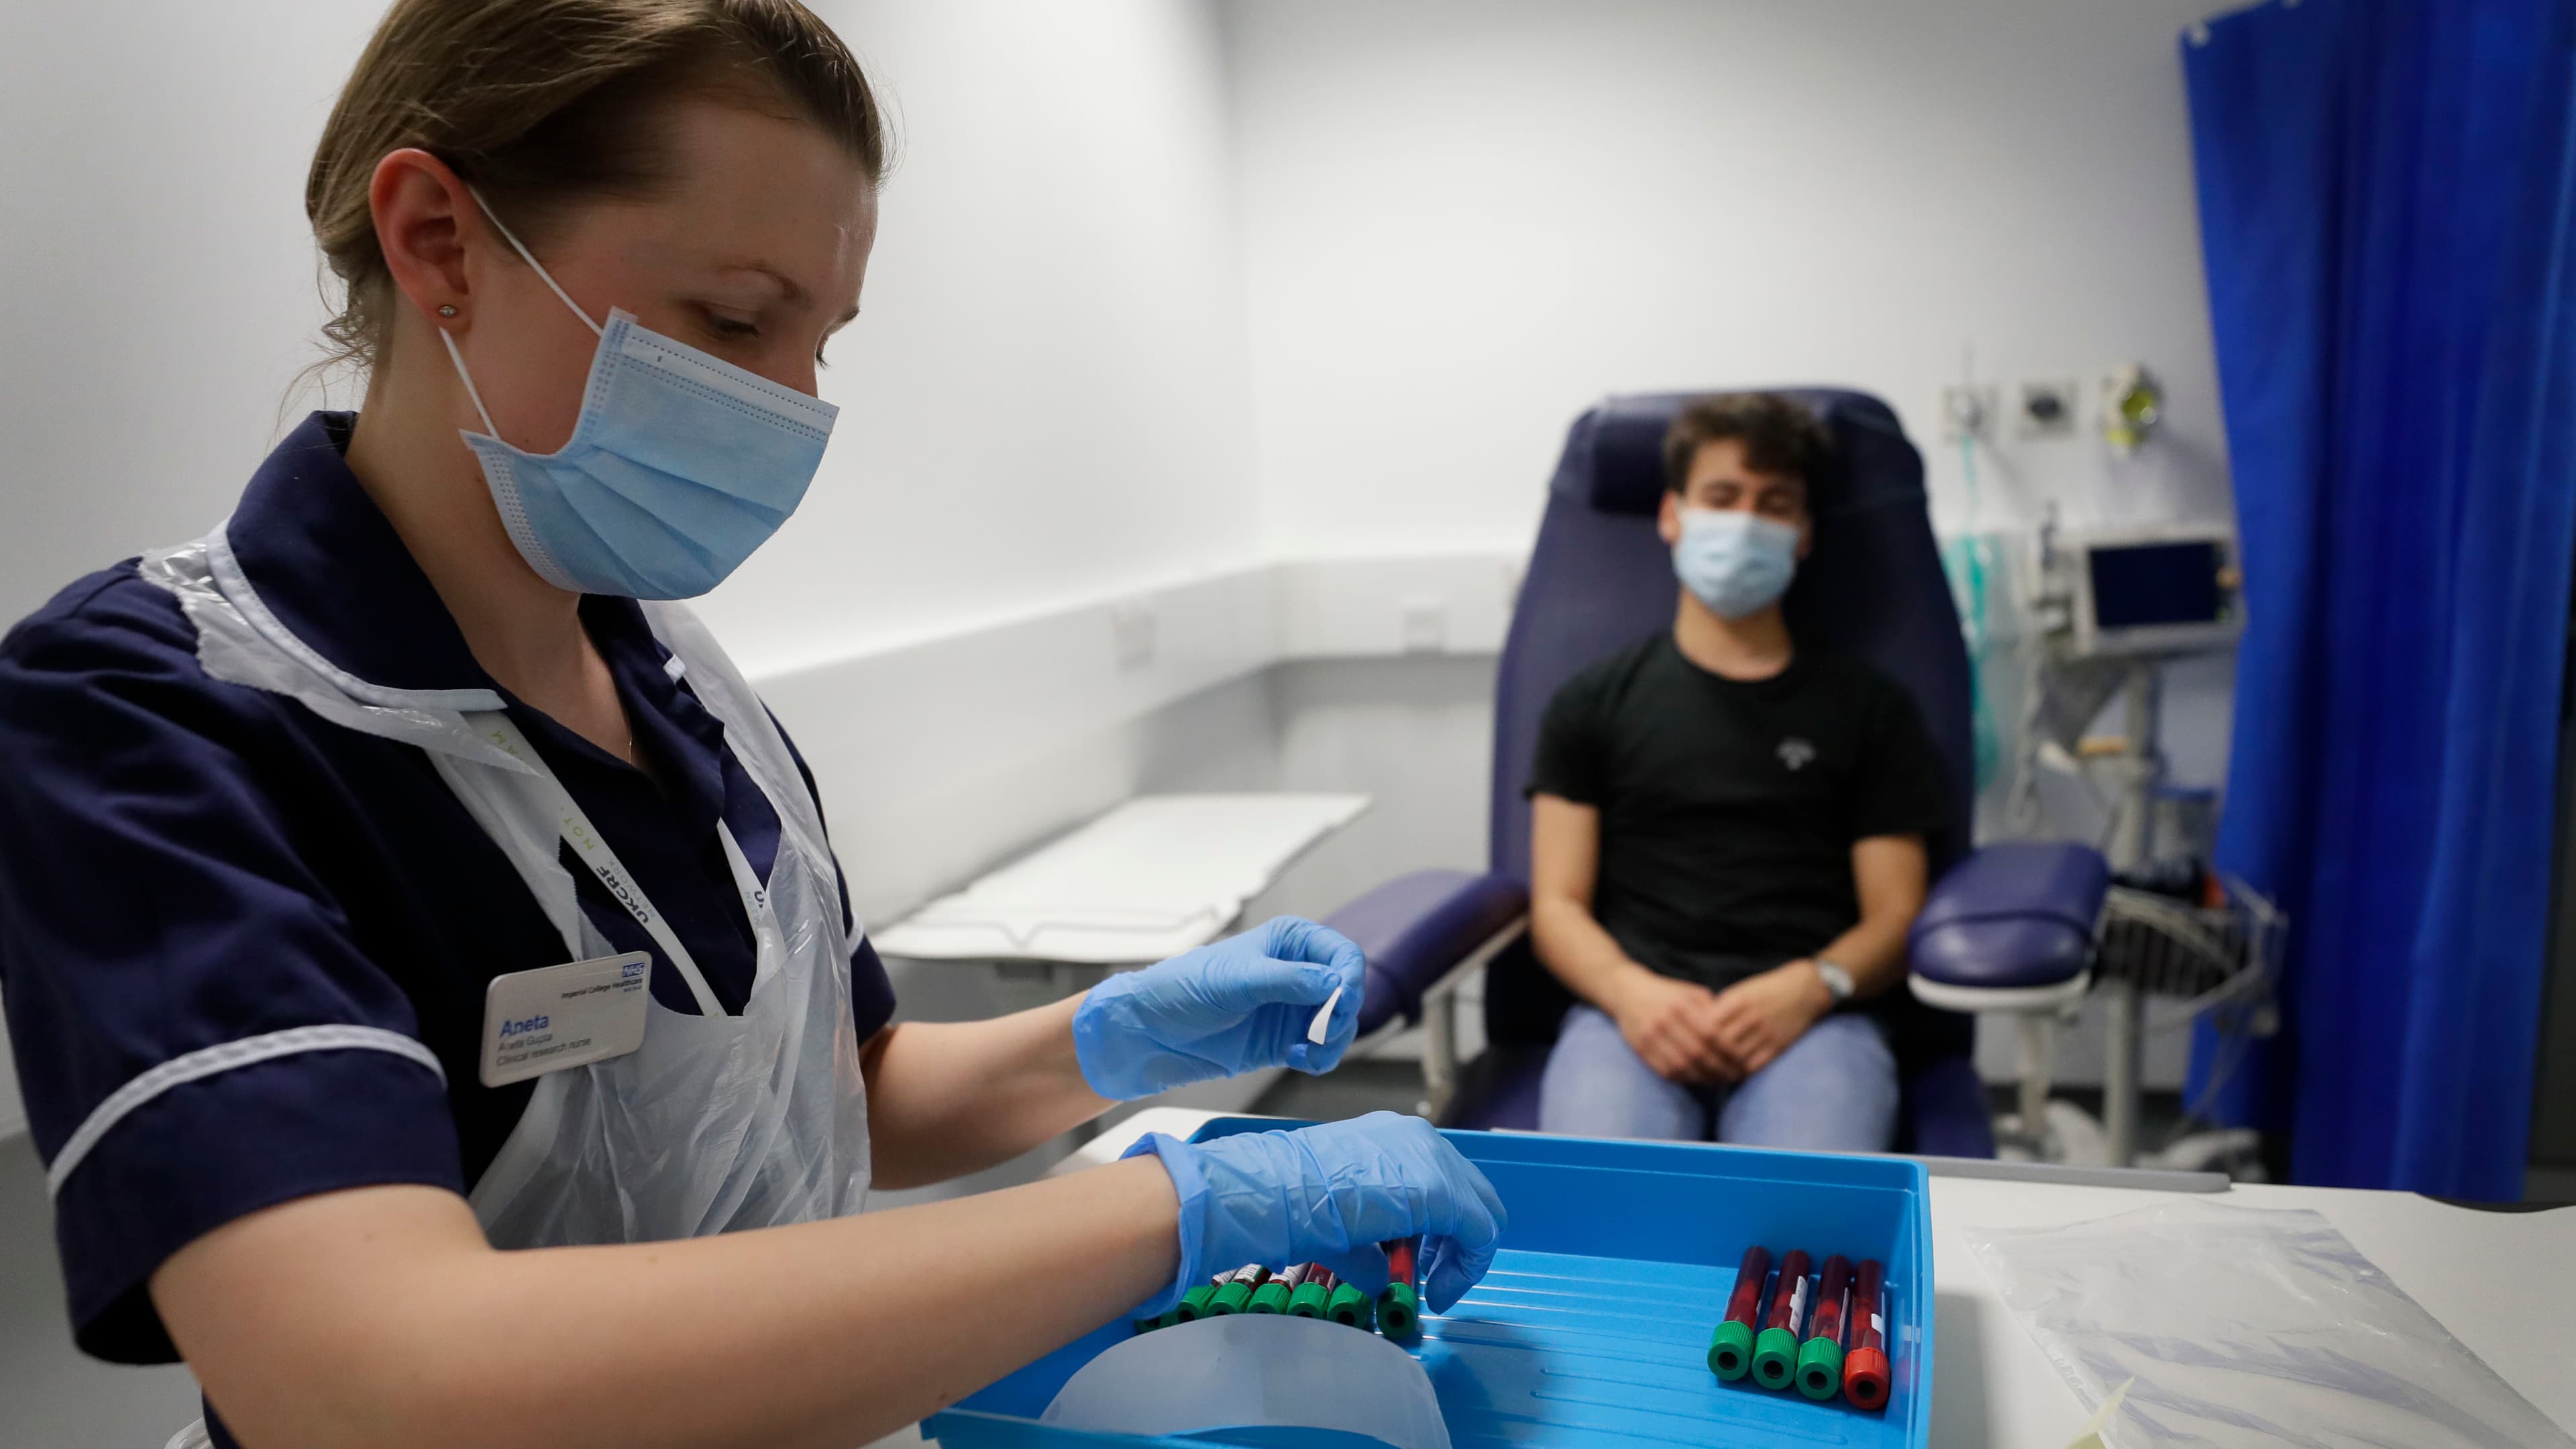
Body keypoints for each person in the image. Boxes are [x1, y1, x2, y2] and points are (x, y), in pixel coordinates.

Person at [0, 5, 1503, 1447]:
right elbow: (377, 1381)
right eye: (732, 319)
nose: (790, 408)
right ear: (438, 241)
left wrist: (1112, 1038)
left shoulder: (679, 675)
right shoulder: (156, 712)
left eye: (822, 345)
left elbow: (844, 1099)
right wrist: (1178, 1209)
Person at [1525, 393, 1951, 1151]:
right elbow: (1557, 903)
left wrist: (1812, 987)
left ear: (1804, 534)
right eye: (1722, 497)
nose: (1746, 521)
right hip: (1631, 1015)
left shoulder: (1870, 708)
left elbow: (1896, 914)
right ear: (1672, 514)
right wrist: (1630, 994)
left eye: (1774, 503)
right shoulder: (1592, 702)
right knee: (1605, 1222)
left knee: (1799, 1238)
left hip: (1815, 1021)